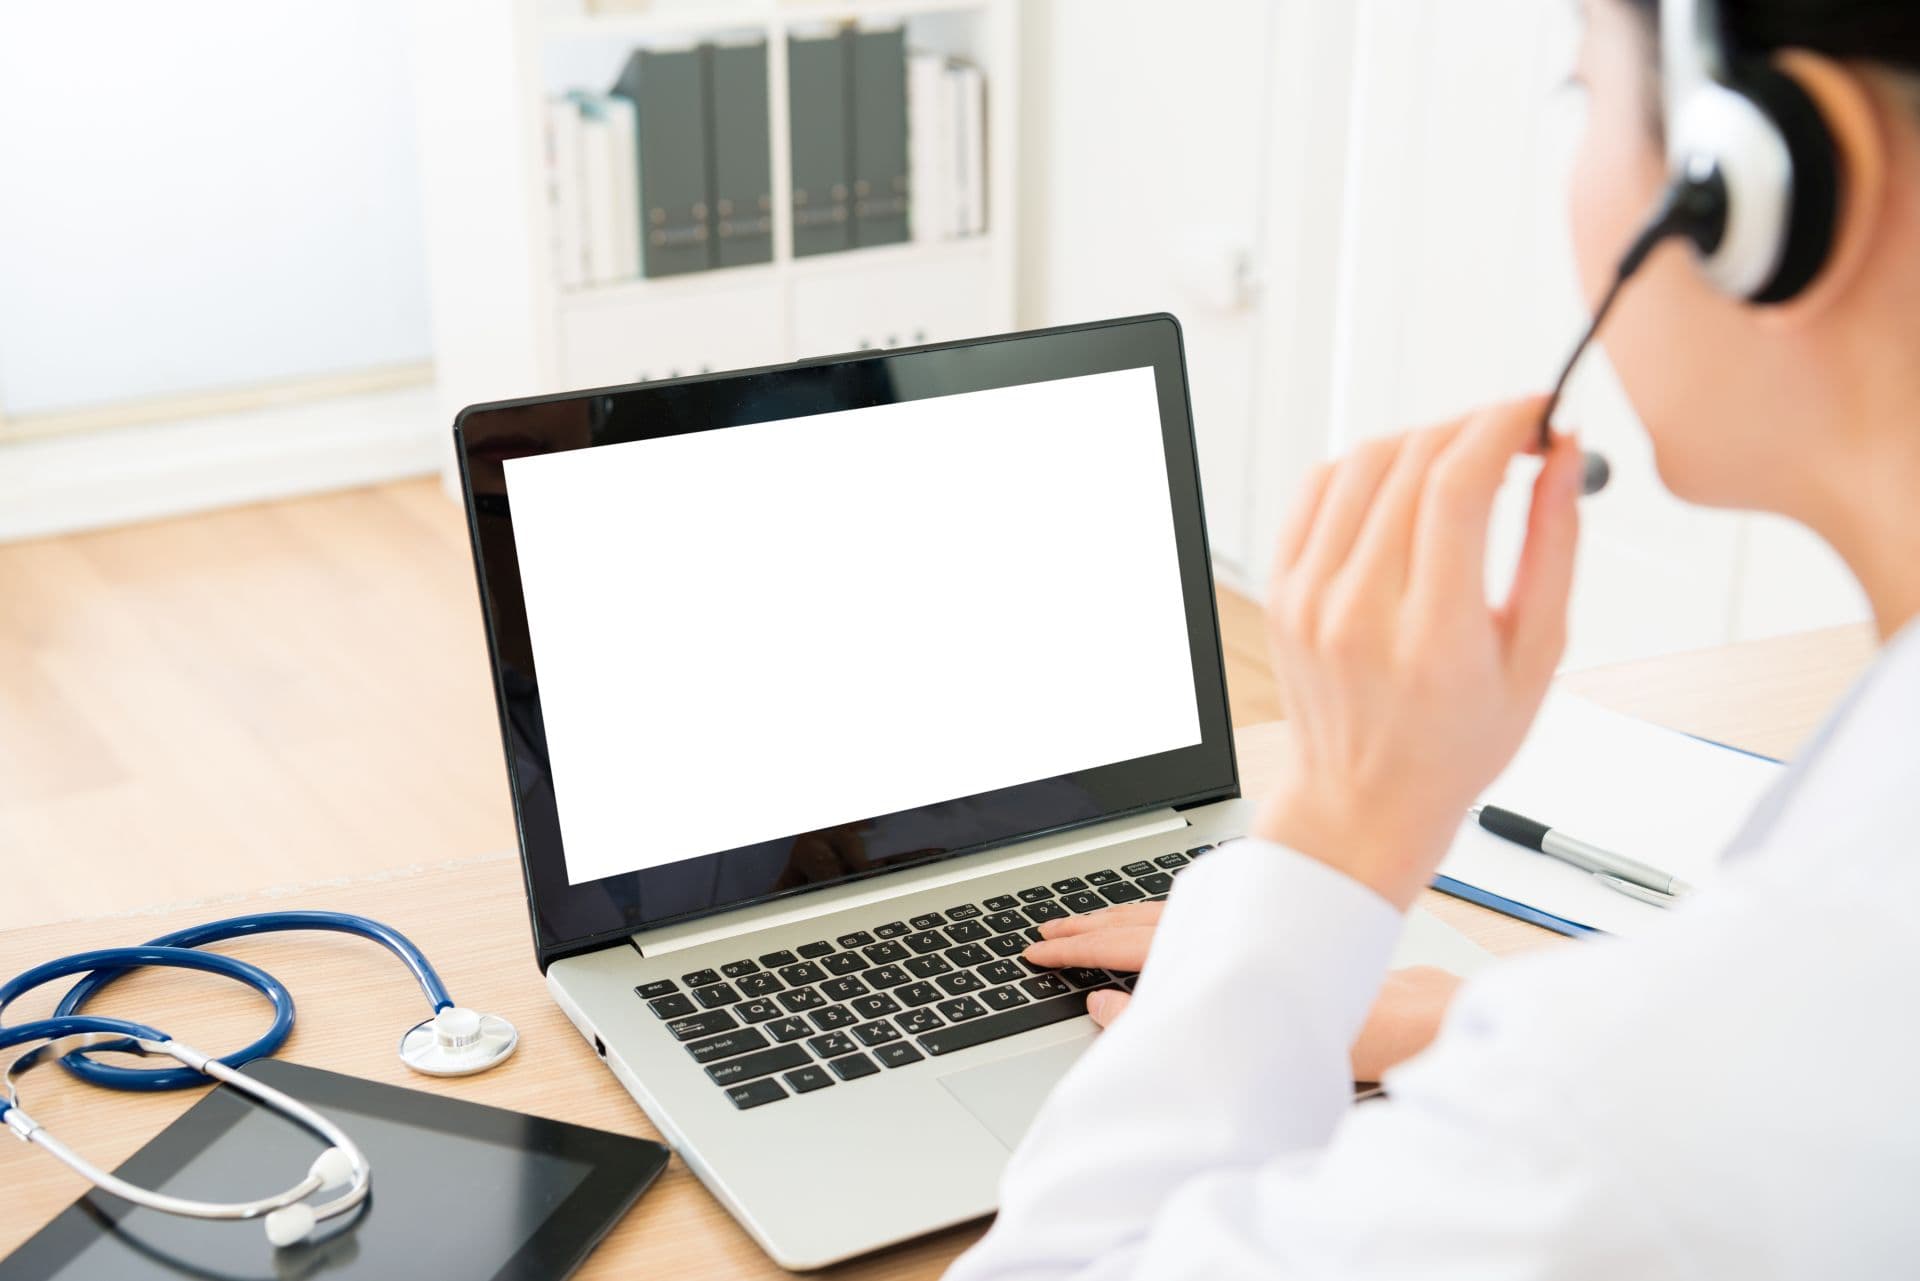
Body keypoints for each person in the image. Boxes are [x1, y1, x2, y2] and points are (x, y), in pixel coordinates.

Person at [948, 0, 1920, 1275]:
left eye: (1584, 93)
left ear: (1764, 182)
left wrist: (1341, 828)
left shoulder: (1658, 1108)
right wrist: (1458, 1017)